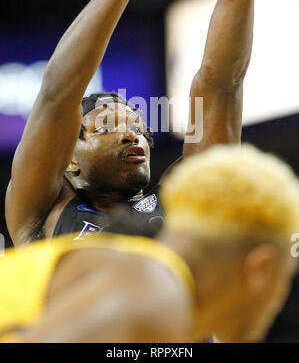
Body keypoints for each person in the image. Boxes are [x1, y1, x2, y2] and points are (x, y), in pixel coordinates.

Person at [5, 0, 299, 245]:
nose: (133, 137)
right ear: (69, 159)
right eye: (106, 127)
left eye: (137, 128)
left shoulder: (180, 198)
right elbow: (58, 90)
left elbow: (221, 85)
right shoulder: (42, 212)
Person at [0, 144, 299, 343]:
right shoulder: (155, 288)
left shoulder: (144, 280)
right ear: (261, 267)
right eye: (286, 277)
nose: (279, 301)